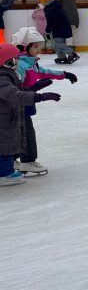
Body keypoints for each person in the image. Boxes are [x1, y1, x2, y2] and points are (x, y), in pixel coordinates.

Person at [12, 27, 77, 176]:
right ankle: (27, 161)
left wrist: (64, 74)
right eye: (35, 47)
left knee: (19, 131)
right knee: (26, 132)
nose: (39, 49)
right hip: (20, 103)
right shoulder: (21, 65)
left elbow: (44, 72)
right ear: (24, 47)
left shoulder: (30, 63)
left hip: (25, 102)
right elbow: (15, 87)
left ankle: (12, 159)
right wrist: (33, 90)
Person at [0, 44, 61, 186]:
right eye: (15, 59)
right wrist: (40, 97)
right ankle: (3, 175)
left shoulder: (7, 75)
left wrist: (35, 87)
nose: (18, 61)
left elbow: (17, 91)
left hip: (7, 117)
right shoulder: (2, 78)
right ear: (8, 61)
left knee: (7, 145)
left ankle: (6, 171)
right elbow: (15, 95)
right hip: (3, 119)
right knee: (4, 147)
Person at [41, 0, 79, 65]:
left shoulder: (50, 9)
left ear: (45, 1)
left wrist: (47, 30)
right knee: (58, 44)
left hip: (60, 28)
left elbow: (51, 21)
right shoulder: (54, 6)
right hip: (61, 27)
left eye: (41, 1)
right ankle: (62, 57)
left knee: (58, 44)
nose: (41, 3)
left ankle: (72, 53)